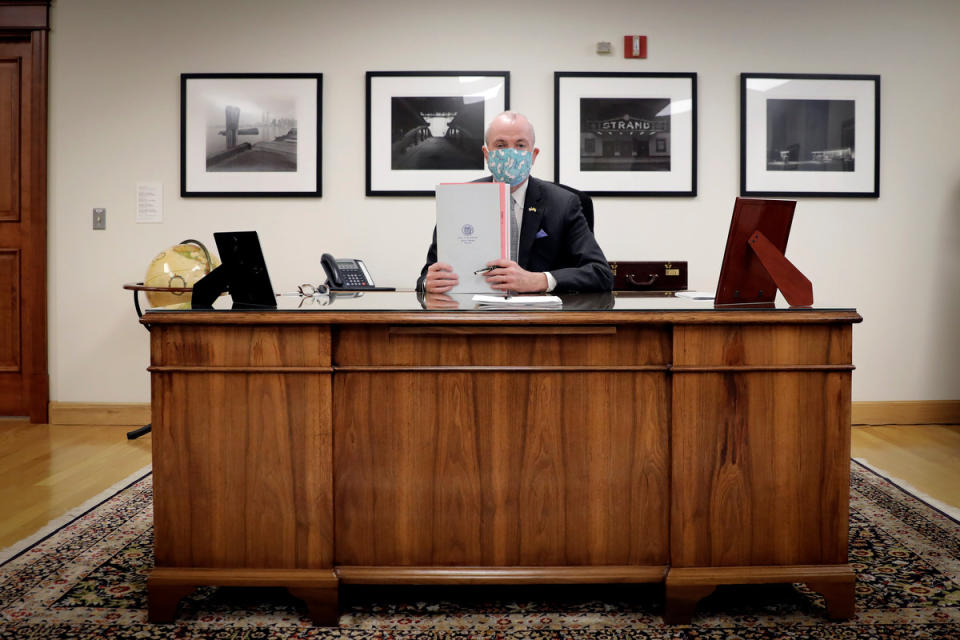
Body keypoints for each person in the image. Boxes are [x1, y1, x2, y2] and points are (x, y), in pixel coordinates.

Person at [416, 111, 613, 294]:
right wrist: (428, 282)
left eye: (520, 145)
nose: (510, 154)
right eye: (501, 145)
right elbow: (426, 276)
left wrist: (540, 280)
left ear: (533, 155)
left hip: (541, 321)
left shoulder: (564, 203)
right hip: (473, 315)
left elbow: (600, 273)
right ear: (486, 154)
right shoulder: (459, 199)